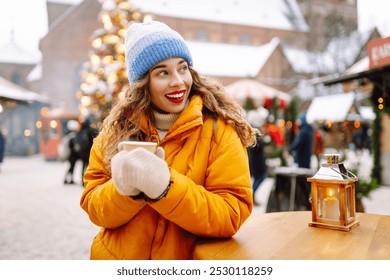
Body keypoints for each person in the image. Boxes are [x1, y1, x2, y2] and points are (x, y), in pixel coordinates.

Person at [80, 20, 259, 260]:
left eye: (182, 68)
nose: (178, 81)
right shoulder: (115, 132)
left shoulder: (220, 131)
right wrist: (124, 191)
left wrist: (165, 188)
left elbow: (230, 214)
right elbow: (94, 207)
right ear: (144, 83)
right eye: (162, 72)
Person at [74, 117, 97, 186]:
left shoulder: (80, 130)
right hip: (89, 152)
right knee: (89, 167)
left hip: (82, 152)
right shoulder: (90, 130)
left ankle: (82, 180)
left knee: (83, 166)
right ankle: (88, 181)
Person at [247, 133, 267, 206]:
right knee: (260, 178)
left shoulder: (250, 139)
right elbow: (260, 146)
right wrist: (265, 140)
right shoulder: (254, 139)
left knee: (258, 179)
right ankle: (252, 195)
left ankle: (252, 196)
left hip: (255, 164)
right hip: (258, 164)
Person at [62, 120, 80, 185]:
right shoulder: (72, 135)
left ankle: (68, 179)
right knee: (71, 167)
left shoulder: (68, 134)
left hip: (70, 155)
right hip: (72, 155)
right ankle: (68, 179)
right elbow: (73, 146)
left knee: (71, 167)